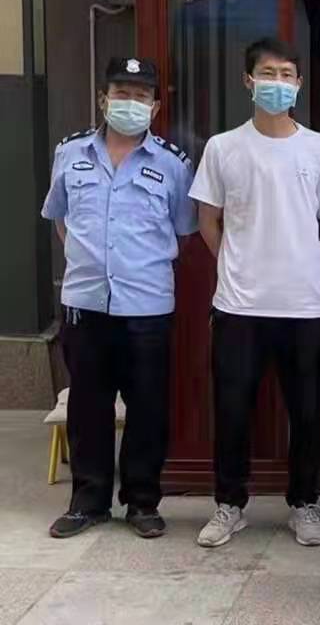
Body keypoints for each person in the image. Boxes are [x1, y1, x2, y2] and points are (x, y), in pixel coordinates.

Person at [189, 37, 320, 549]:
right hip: (239, 305)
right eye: (268, 73)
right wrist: (236, 263)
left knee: (308, 413)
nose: (278, 83)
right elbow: (208, 220)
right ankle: (230, 505)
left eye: (287, 74)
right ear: (248, 81)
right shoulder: (223, 147)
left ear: (299, 83)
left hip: (303, 304)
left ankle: (304, 505)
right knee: (232, 411)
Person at [40, 58, 195, 540]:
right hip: (85, 302)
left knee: (147, 406)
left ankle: (142, 502)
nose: (131, 103)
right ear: (103, 99)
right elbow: (61, 219)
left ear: (156, 106)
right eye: (121, 93)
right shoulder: (70, 153)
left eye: (140, 95)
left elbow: (182, 231)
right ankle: (87, 502)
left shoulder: (173, 164)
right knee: (88, 405)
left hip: (147, 305)